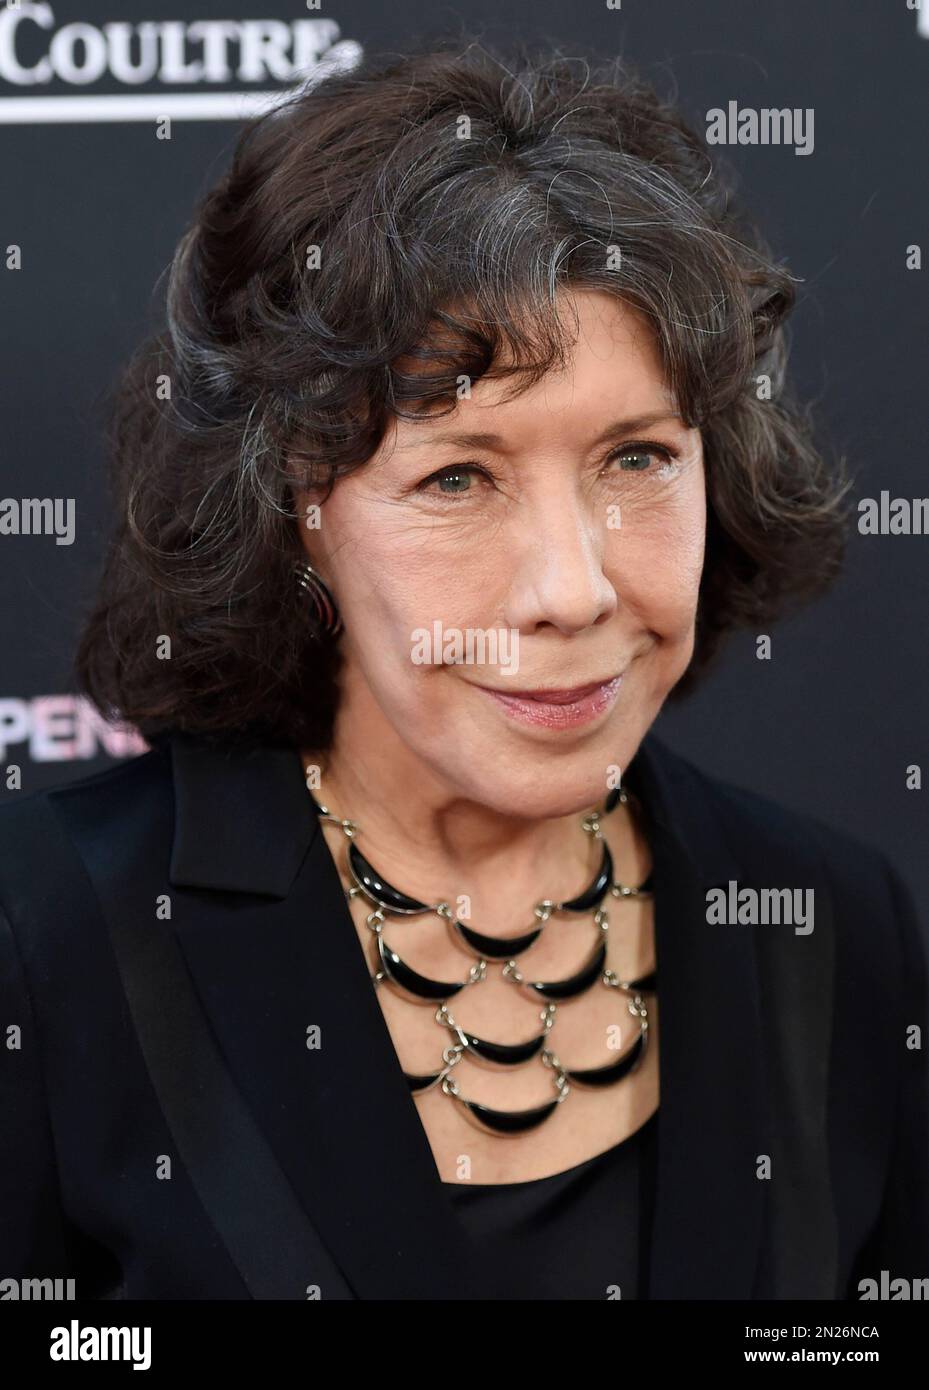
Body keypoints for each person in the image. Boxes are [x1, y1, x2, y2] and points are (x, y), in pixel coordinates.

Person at [1, 38, 926, 1302]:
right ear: (293, 507)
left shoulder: (830, 923)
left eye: (638, 458)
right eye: (457, 477)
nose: (572, 587)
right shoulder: (50, 938)